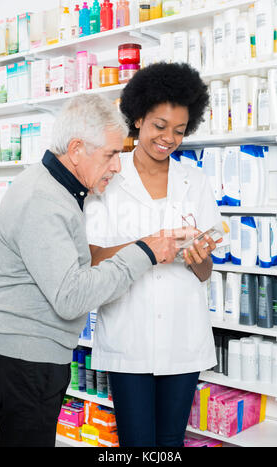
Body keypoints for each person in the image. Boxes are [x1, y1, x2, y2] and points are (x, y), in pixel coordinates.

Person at [0, 94, 184, 447]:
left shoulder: (60, 190)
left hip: (32, 355)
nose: (117, 165)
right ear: (77, 148)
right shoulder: (43, 200)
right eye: (111, 154)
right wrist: (145, 252)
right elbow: (71, 296)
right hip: (27, 360)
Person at [85, 62, 223, 447]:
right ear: (139, 118)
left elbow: (205, 272)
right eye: (160, 126)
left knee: (170, 442)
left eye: (179, 131)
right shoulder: (110, 178)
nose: (168, 138)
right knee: (136, 442)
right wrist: (149, 246)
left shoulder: (194, 181)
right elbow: (93, 257)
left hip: (183, 334)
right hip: (129, 335)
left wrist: (197, 256)